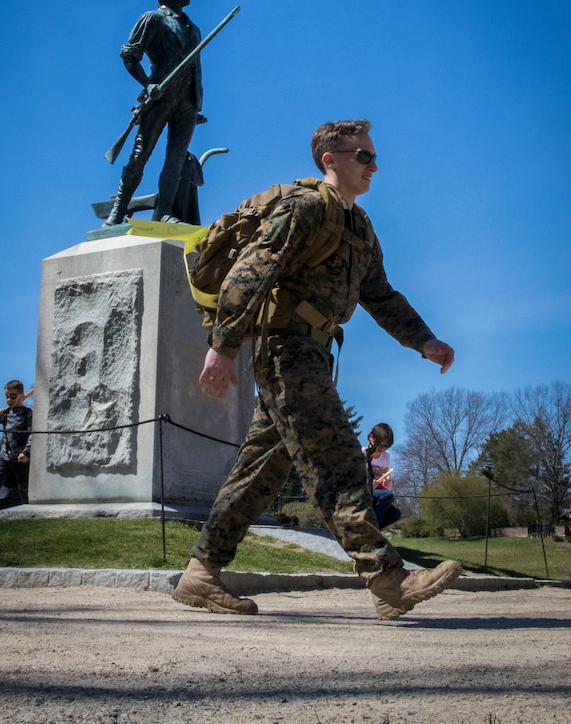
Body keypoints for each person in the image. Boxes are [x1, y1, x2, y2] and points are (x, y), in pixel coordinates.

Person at [173, 119, 461, 621]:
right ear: (331, 159)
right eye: (364, 156)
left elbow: (381, 295)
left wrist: (424, 340)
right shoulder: (305, 208)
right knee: (338, 461)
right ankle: (387, 579)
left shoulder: (360, 227)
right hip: (286, 350)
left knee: (258, 474)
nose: (374, 165)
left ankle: (200, 575)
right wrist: (222, 346)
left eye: (373, 156)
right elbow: (250, 271)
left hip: (314, 352)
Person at [104, 0, 204, 226]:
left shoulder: (194, 29)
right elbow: (129, 55)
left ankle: (164, 213)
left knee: (176, 161)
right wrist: (147, 85)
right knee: (140, 156)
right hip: (160, 96)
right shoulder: (153, 19)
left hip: (187, 102)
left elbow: (195, 69)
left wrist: (196, 102)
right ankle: (117, 213)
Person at [0, 380, 32, 515]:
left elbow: (33, 435)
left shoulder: (27, 413)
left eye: (13, 396)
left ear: (21, 395)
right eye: (7, 396)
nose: (9, 400)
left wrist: (26, 452)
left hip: (20, 457)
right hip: (4, 455)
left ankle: (28, 509)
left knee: (24, 486)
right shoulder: (6, 414)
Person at [363, 423, 402, 530]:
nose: (381, 448)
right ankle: (370, 529)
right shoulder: (362, 454)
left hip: (377, 493)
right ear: (371, 437)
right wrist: (369, 485)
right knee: (388, 496)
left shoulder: (386, 456)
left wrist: (387, 480)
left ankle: (372, 530)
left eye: (385, 446)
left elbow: (385, 474)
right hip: (363, 492)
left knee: (395, 514)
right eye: (379, 444)